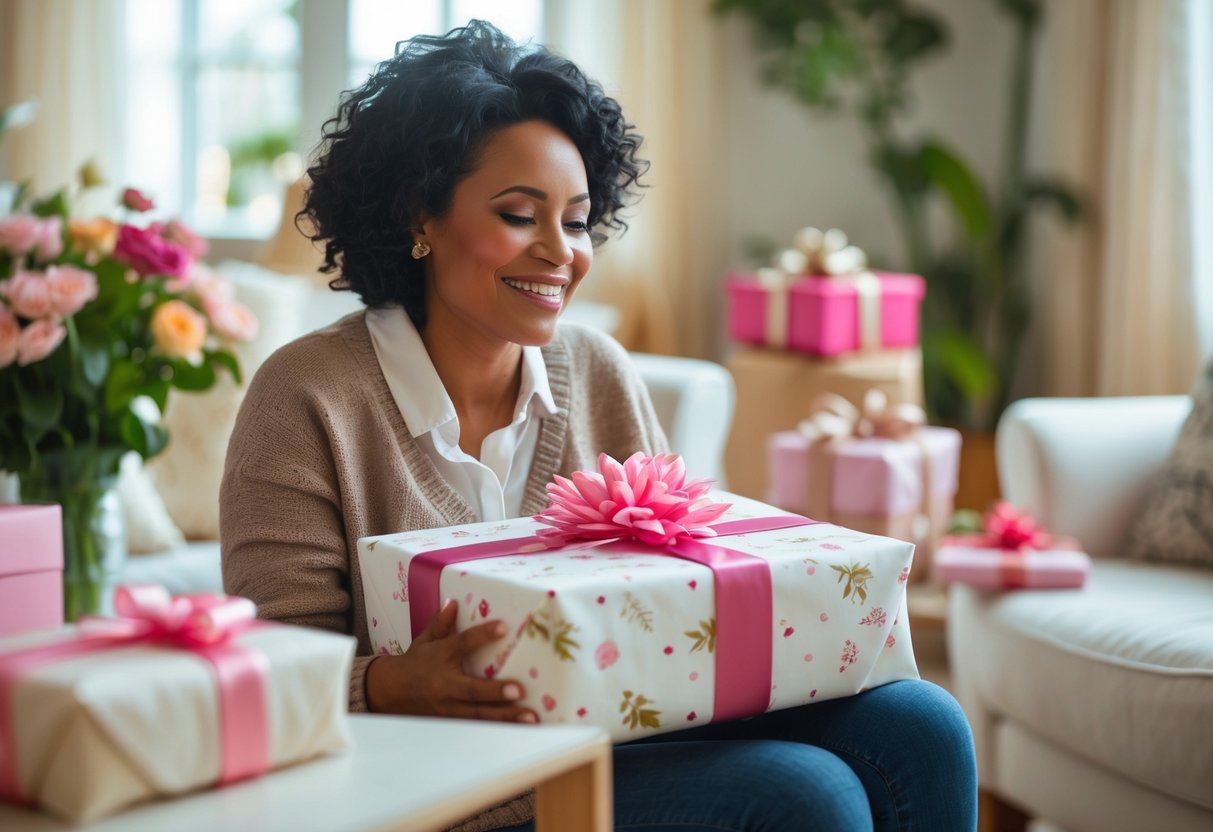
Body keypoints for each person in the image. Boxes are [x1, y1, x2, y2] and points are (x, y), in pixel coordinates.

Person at [220, 21, 977, 832]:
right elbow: (266, 678)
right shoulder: (305, 397)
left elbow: (677, 588)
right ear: (420, 219)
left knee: (924, 723)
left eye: (577, 221)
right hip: (442, 790)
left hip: (619, 738)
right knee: (805, 796)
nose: (560, 252)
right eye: (519, 214)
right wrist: (388, 684)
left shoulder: (598, 372)